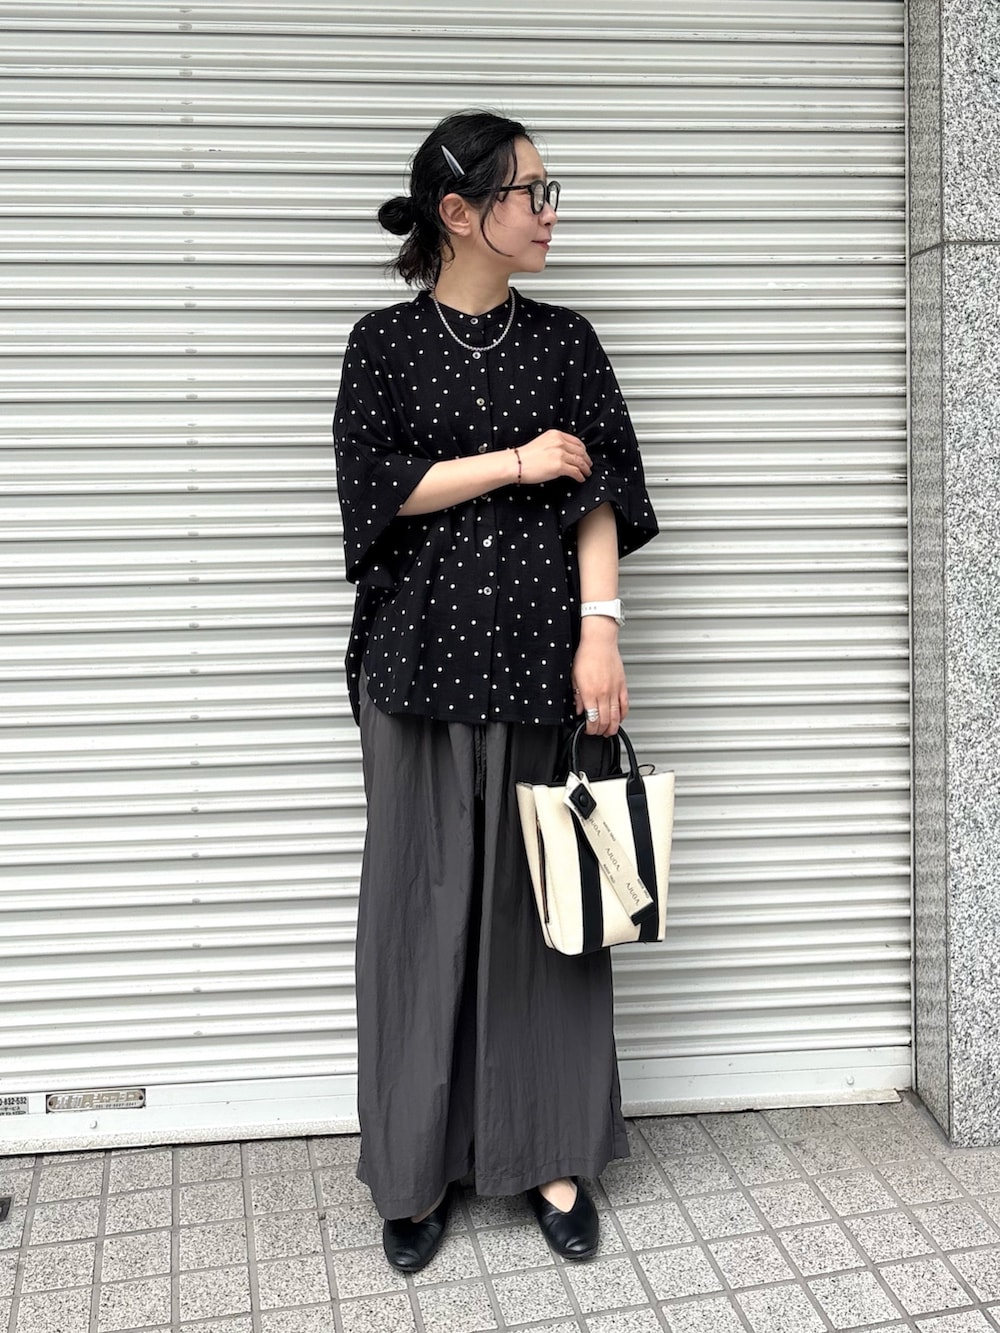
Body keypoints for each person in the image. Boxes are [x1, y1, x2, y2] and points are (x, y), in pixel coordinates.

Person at [333, 109, 658, 1273]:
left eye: (549, 189)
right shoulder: (382, 344)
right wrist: (517, 461)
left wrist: (601, 632)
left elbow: (601, 494)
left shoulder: (565, 342)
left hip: (539, 662)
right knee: (415, 918)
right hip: (413, 669)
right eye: (532, 191)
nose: (550, 210)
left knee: (542, 915)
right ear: (460, 213)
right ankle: (413, 1170)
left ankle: (552, 1156)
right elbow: (374, 488)